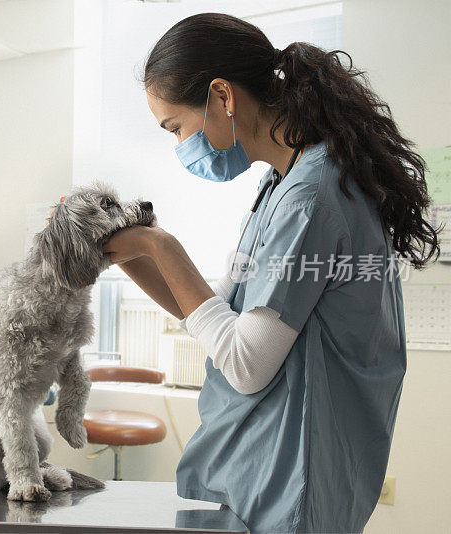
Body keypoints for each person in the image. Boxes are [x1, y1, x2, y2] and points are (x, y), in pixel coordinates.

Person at [100, 12, 439, 533]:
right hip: (259, 470)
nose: (180, 146)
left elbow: (246, 360)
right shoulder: (279, 188)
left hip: (291, 481)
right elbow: (217, 311)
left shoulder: (310, 197)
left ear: (222, 96)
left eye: (177, 127)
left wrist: (158, 244)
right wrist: (126, 255)